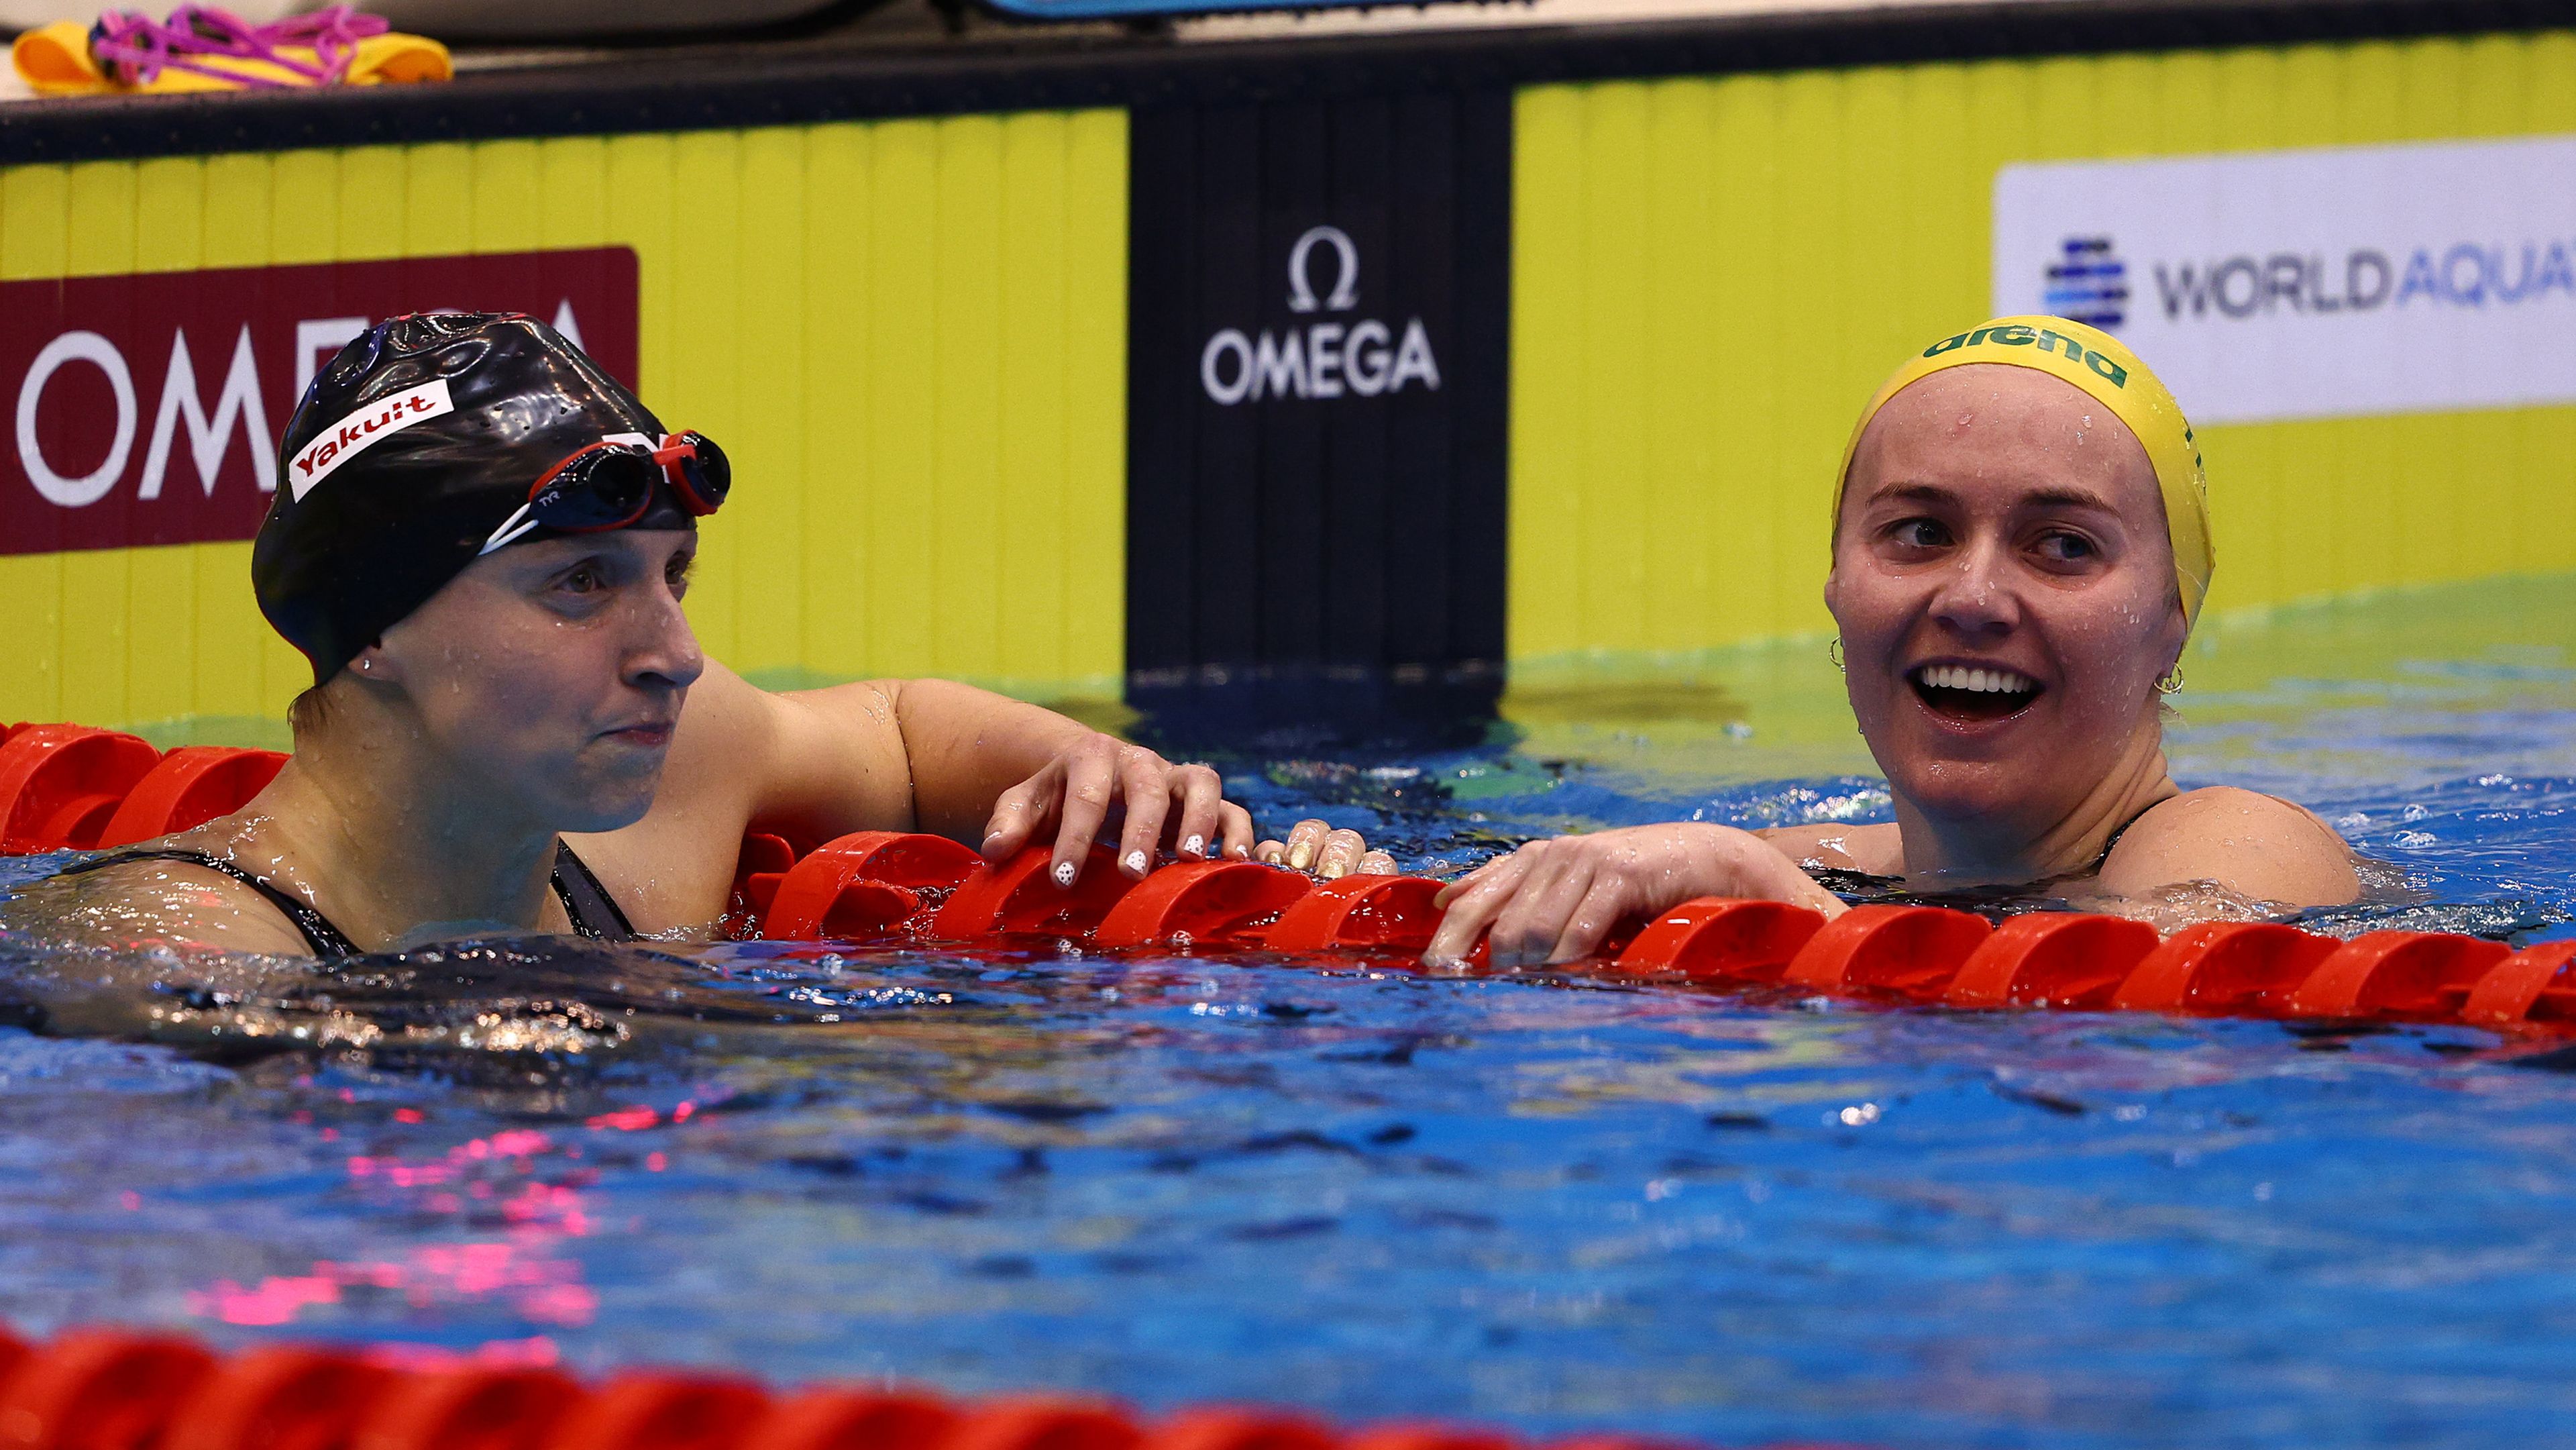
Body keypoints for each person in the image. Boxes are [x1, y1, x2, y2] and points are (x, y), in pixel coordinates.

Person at [9, 313, 1381, 957]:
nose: (667, 649)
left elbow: (900, 730)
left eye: (674, 577)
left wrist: (1097, 767)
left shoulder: (656, 808)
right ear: (376, 628)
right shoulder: (184, 951)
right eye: (581, 586)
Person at [1425, 316, 2359, 969]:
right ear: (1836, 584)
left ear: (2172, 622)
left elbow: (2126, 1021)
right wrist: (1327, 863)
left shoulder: (2247, 845)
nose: (1974, 596)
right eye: (1920, 531)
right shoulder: (1847, 861)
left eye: (2063, 546)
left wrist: (1762, 887)